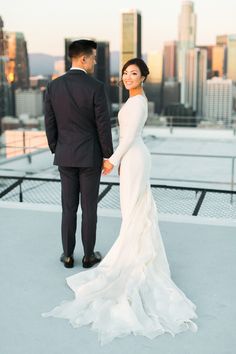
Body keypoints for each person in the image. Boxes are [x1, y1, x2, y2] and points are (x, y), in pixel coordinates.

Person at [43, 58, 197, 345]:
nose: (127, 77)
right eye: (125, 73)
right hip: (132, 158)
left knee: (134, 211)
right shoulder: (134, 99)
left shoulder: (137, 104)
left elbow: (127, 140)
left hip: (133, 158)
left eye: (133, 73)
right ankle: (135, 257)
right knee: (133, 212)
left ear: (143, 77)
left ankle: (134, 262)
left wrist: (111, 160)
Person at [44, 39, 113, 269]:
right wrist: (108, 155)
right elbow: (103, 125)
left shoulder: (53, 86)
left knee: (68, 207)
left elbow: (49, 123)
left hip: (65, 155)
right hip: (90, 157)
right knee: (89, 208)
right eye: (93, 57)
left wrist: (58, 148)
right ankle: (88, 256)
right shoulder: (96, 87)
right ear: (83, 58)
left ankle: (67, 255)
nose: (95, 61)